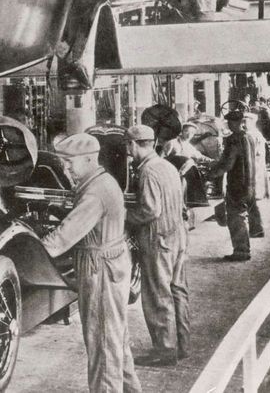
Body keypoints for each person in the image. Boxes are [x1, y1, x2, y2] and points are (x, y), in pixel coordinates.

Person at [41, 133, 141, 393]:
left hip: (100, 271)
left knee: (102, 346)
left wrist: (33, 249)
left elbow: (64, 236)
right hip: (111, 264)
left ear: (87, 160)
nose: (66, 169)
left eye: (70, 163)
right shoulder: (103, 181)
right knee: (115, 341)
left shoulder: (95, 192)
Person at [125, 125, 190, 367]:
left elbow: (150, 211)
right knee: (177, 290)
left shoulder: (149, 172)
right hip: (177, 236)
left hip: (157, 239)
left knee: (157, 295)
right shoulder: (167, 166)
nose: (128, 152)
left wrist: (124, 215)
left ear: (133, 145)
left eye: (128, 146)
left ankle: (164, 350)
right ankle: (182, 345)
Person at [209, 110, 262, 261]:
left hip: (237, 183)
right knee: (241, 215)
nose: (229, 125)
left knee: (235, 218)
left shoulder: (234, 139)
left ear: (235, 122)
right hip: (249, 182)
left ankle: (241, 251)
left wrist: (212, 173)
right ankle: (243, 249)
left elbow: (229, 163)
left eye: (230, 122)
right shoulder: (249, 137)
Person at [244, 112, 269, 199]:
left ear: (252, 122)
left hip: (256, 156)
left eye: (246, 122)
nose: (244, 124)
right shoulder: (250, 133)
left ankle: (256, 193)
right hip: (254, 156)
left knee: (256, 173)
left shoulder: (254, 133)